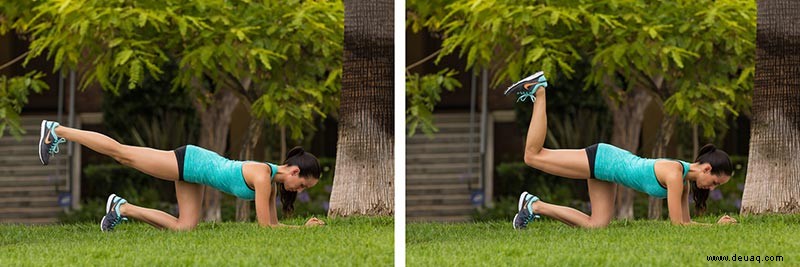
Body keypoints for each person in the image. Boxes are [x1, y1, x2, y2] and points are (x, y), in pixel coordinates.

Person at [504, 72, 738, 229]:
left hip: (609, 171)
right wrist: (716, 227)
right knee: (533, 156)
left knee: (596, 225)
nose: (712, 188)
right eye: (715, 182)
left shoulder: (684, 180)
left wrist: (715, 226)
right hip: (604, 160)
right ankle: (540, 90)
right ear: (707, 168)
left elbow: (685, 224)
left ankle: (533, 206)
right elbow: (678, 227)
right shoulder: (676, 175)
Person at [37, 120, 326, 231]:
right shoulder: (264, 177)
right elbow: (266, 230)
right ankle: (57, 131)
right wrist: (305, 229)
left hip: (196, 174)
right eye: (301, 184)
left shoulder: (271, 184)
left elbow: (272, 228)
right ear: (295, 170)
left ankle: (120, 207)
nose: (298, 190)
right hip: (189, 161)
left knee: (185, 228)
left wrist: (301, 227)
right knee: (121, 153)